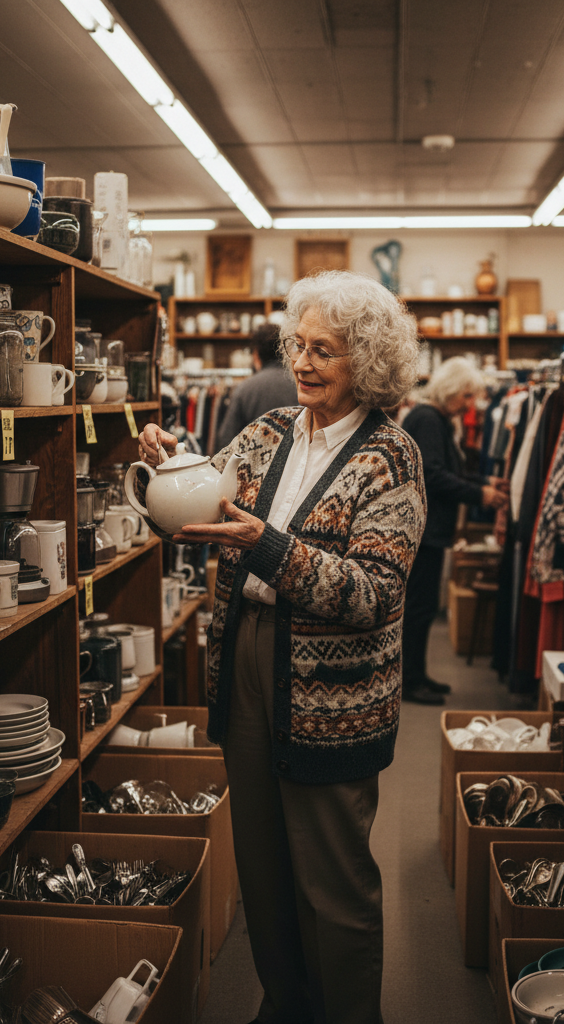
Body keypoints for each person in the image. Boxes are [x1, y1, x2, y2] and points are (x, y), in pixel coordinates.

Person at [138, 270, 425, 1024]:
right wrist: (173, 458)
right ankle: (287, 1006)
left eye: (322, 350)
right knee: (263, 874)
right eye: (296, 344)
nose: (300, 363)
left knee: (333, 887)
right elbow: (204, 495)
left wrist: (267, 546)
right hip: (247, 665)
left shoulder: (390, 457)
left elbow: (372, 595)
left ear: (364, 362)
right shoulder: (267, 433)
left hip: (333, 698)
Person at [400, 357, 509, 705]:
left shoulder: (432, 418)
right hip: (423, 531)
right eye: (465, 397)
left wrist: (485, 481)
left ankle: (418, 676)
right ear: (449, 391)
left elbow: (449, 470)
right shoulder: (429, 420)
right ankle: (410, 682)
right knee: (419, 608)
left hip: (427, 530)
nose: (468, 405)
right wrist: (481, 494)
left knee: (424, 607)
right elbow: (432, 475)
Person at [215, 323, 297, 449]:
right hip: (296, 463)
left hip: (254, 465)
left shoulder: (245, 389)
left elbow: (226, 440)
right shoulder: (301, 385)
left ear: (256, 354)